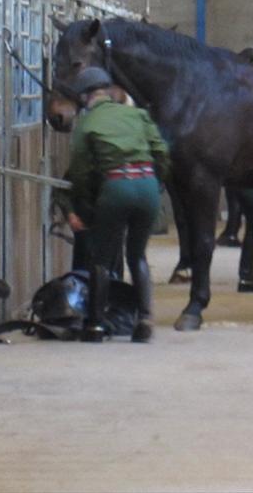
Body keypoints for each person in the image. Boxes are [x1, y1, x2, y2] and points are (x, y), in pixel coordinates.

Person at [66, 66, 170, 342]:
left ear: (85, 97)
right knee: (137, 255)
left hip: (115, 187)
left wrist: (85, 207)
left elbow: (80, 171)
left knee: (100, 258)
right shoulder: (137, 114)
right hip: (147, 184)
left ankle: (96, 324)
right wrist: (155, 184)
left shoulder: (86, 124)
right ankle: (145, 319)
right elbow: (161, 151)